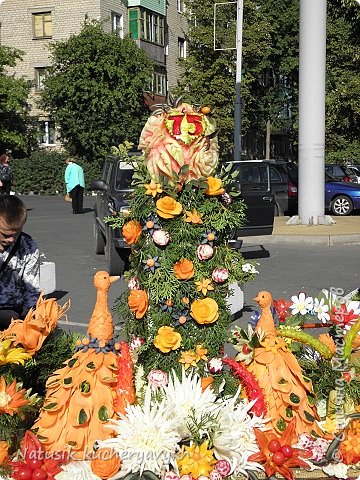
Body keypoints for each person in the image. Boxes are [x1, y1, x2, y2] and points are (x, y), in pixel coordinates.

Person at [0, 195, 40, 329]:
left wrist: (31, 318)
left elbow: (33, 290)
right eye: (5, 234)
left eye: (16, 233)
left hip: (15, 312)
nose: (11, 240)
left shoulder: (28, 246)